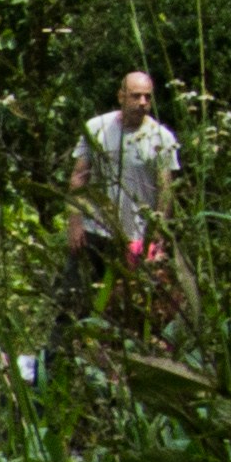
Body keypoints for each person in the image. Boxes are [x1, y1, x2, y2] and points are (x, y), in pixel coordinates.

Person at [45, 69, 179, 357]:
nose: (142, 102)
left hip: (134, 239)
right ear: (121, 96)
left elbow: (165, 190)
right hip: (94, 232)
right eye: (135, 96)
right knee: (71, 302)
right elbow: (79, 177)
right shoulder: (97, 128)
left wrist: (158, 238)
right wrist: (75, 222)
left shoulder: (161, 138)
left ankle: (115, 377)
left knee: (128, 313)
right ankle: (53, 370)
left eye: (147, 97)